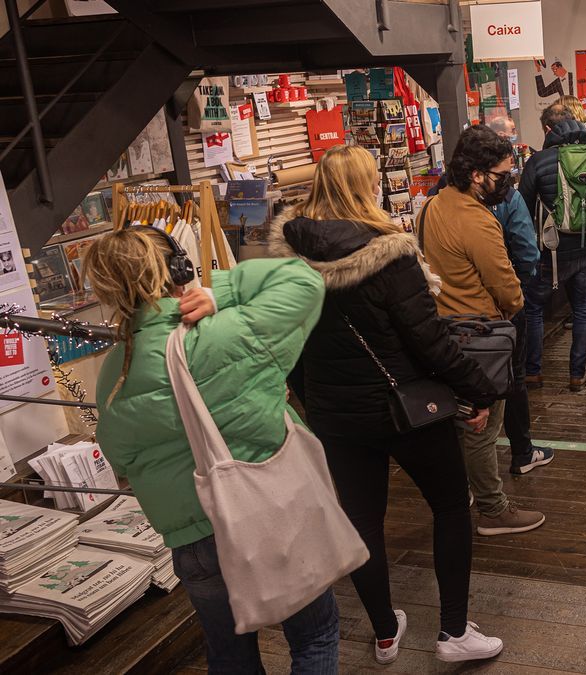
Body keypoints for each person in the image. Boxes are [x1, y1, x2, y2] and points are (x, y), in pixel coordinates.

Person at [269, 143, 504, 664]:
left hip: (337, 416)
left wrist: (317, 405)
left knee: (362, 520)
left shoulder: (287, 254)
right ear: (366, 186)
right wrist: (479, 391)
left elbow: (288, 348)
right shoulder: (390, 251)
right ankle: (454, 632)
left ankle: (383, 633)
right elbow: (430, 340)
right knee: (449, 506)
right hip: (407, 410)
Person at [89, 228, 341, 673]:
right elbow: (305, 280)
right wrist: (217, 290)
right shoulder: (221, 330)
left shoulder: (115, 370)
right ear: (179, 269)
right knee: (314, 637)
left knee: (229, 655)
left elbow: (121, 461)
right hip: (270, 516)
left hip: (194, 541)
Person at [419, 125, 551, 531]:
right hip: (481, 336)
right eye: (501, 175)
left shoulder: (432, 206)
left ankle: (466, 493)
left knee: (460, 422)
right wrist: (513, 307)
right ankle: (494, 510)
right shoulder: (476, 220)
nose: (507, 183)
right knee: (482, 424)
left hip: (444, 331)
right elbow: (506, 285)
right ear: (477, 174)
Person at [518, 104, 586, 392]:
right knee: (583, 308)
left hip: (549, 250)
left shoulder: (538, 162)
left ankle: (533, 373)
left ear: (549, 130)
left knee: (533, 308)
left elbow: (523, 202)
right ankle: (577, 374)